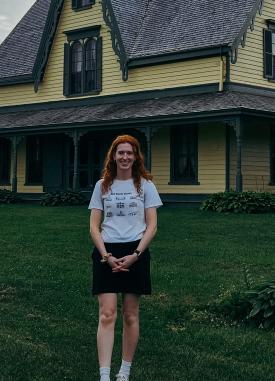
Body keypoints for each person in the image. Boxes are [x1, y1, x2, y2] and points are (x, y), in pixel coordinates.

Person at [88, 134, 162, 381]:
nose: (125, 157)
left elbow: (152, 226)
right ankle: (105, 375)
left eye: (130, 153)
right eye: (121, 152)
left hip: (135, 251)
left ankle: (124, 371)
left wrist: (136, 255)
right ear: (113, 155)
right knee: (107, 313)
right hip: (106, 251)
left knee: (130, 314)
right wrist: (106, 255)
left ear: (136, 156)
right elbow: (93, 226)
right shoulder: (102, 185)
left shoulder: (146, 185)